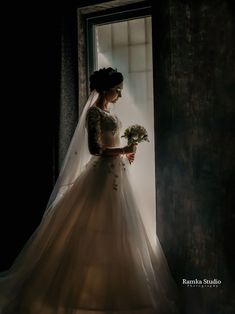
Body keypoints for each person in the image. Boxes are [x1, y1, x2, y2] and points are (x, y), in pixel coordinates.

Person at [0, 67, 181, 314]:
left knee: (120, 227)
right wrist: (123, 149)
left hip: (118, 174)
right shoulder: (94, 113)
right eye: (117, 90)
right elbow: (95, 149)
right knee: (93, 226)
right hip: (100, 175)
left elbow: (113, 143)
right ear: (107, 90)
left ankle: (110, 284)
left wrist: (126, 151)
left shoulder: (108, 111)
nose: (120, 94)